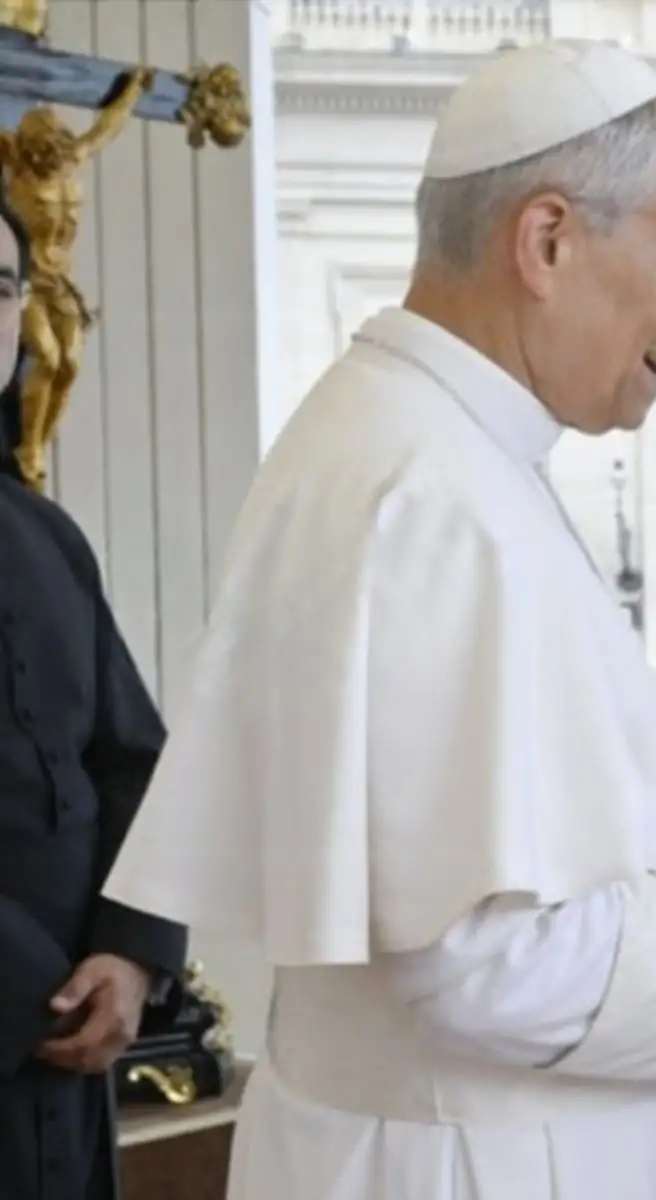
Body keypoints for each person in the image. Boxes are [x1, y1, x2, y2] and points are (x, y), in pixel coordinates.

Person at [98, 41, 656, 1200]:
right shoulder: (440, 494)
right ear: (547, 241)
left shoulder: (413, 443)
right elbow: (484, 963)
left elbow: (468, 880)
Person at [0, 195, 187, 1199]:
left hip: (74, 1049)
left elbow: (134, 757)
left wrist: (131, 951)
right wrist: (40, 993)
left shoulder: (47, 534)